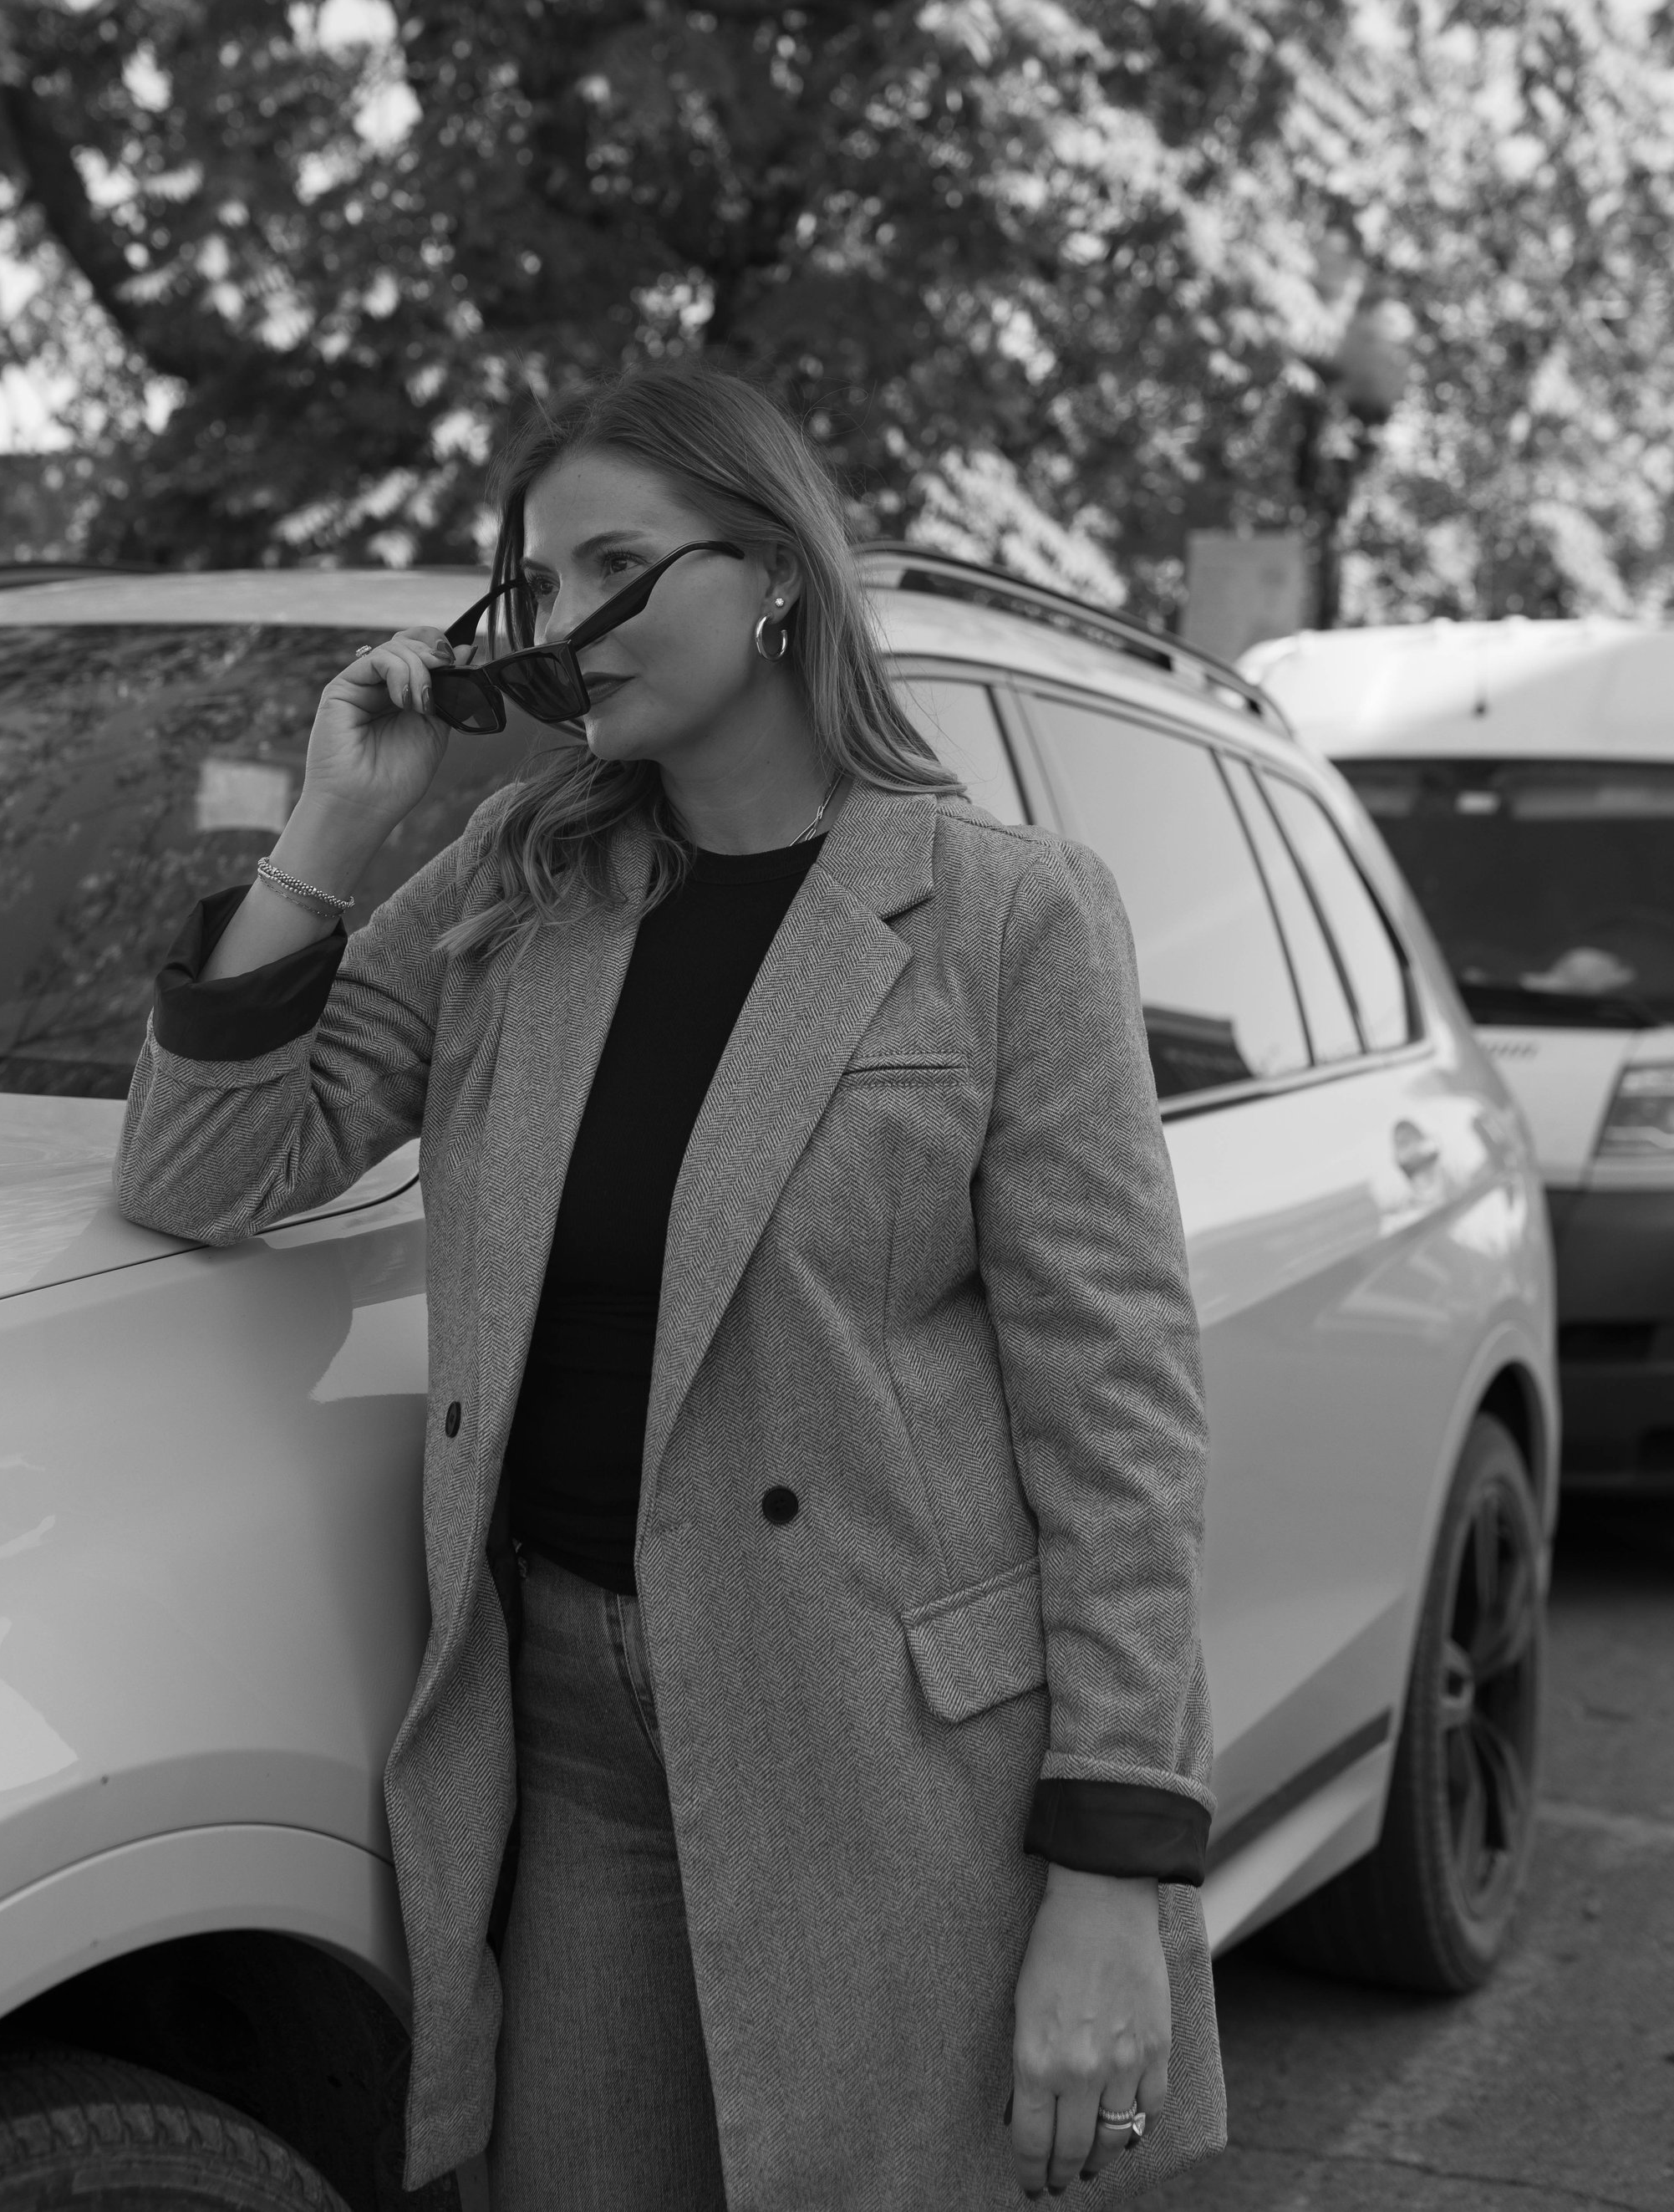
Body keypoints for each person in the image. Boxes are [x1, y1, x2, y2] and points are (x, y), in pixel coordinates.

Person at [114, 366, 1224, 2211]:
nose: (557, 626)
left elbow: (1117, 1410)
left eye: (610, 565)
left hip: (887, 1736)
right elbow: (204, 1170)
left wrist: (1111, 1870)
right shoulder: (517, 883)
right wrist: (325, 835)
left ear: (773, 571)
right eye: (534, 582)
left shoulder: (1002, 912)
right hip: (569, 1724)